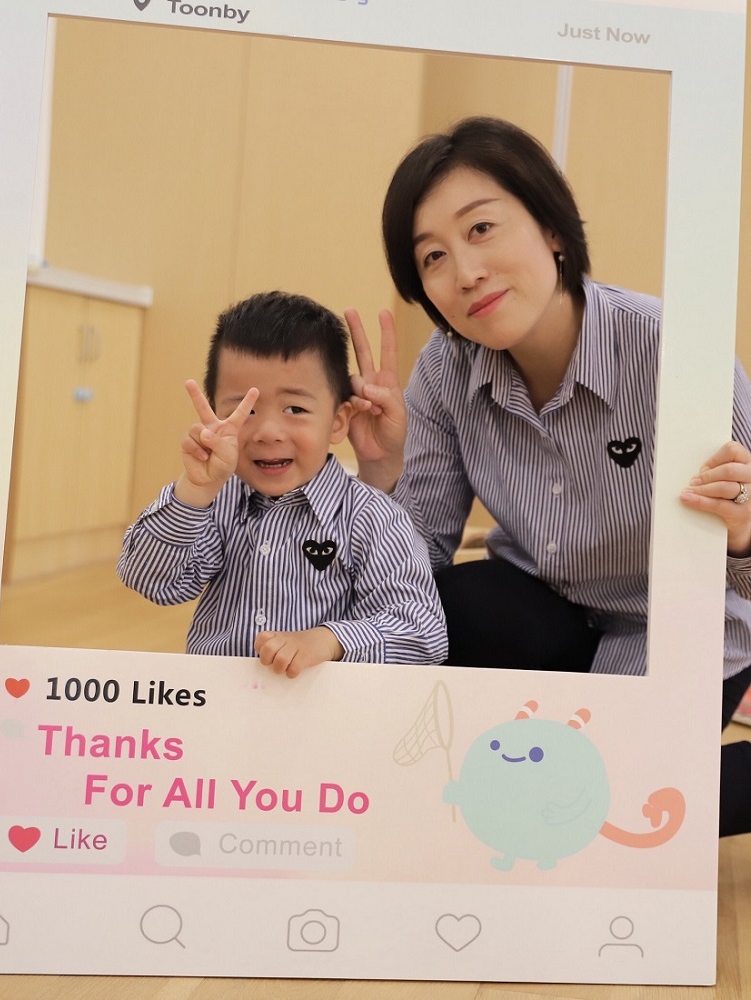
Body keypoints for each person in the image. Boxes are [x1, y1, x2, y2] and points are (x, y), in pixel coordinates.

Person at [343, 117, 751, 831]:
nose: (465, 273)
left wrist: (745, 536)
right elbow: (412, 569)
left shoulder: (673, 351)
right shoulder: (446, 367)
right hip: (549, 613)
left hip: (680, 632)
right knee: (454, 607)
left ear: (553, 229)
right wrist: (381, 474)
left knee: (594, 813)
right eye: (433, 257)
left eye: (481, 229)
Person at [117, 290, 447, 677]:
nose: (268, 432)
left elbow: (424, 633)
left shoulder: (373, 518)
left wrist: (329, 640)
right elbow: (151, 581)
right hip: (219, 701)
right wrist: (193, 492)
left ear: (338, 421)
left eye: (295, 408)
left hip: (323, 707)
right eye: (245, 410)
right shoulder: (216, 502)